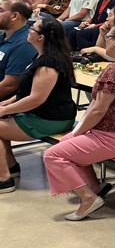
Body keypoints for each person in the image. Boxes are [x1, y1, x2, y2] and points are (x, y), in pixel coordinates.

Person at [43, 23, 115, 220]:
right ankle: (95, 187)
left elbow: (97, 110)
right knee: (68, 144)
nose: (105, 40)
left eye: (108, 36)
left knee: (52, 155)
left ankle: (88, 198)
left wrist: (77, 132)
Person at [0, 18, 77, 193]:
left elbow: (36, 99)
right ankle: (10, 168)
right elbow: (28, 90)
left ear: (41, 37)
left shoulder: (49, 63)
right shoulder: (40, 55)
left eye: (32, 28)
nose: (29, 29)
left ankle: (4, 180)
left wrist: (5, 110)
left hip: (50, 118)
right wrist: (9, 102)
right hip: (43, 113)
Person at [0, 0, 38, 101]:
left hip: (6, 104)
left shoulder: (25, 45)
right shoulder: (3, 36)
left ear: (14, 16)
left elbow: (9, 85)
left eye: (1, 10)